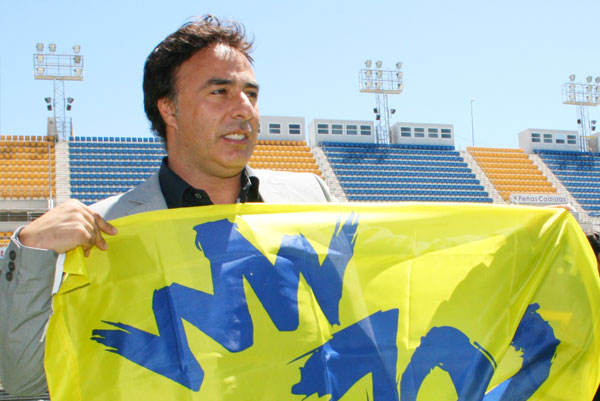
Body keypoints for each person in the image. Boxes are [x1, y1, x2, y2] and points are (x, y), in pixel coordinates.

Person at [0, 15, 334, 396]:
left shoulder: (310, 198)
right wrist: (29, 252)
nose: (245, 109)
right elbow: (26, 382)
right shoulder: (105, 230)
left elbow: (360, 334)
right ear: (168, 109)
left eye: (251, 94)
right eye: (219, 91)